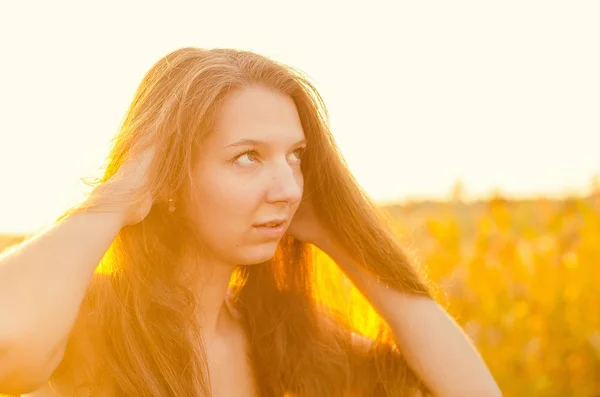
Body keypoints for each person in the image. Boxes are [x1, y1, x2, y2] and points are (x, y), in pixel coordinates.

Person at [0, 47, 501, 397]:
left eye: (296, 156)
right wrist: (119, 197)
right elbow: (10, 348)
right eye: (247, 157)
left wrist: (339, 235)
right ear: (166, 177)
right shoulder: (93, 318)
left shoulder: (274, 331)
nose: (287, 188)